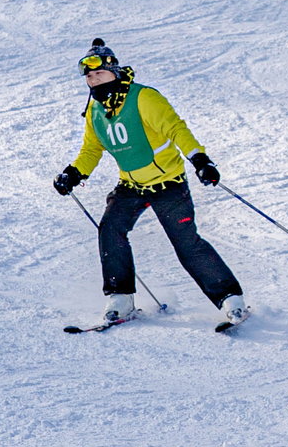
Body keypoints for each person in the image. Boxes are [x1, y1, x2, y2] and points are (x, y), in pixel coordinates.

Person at [53, 40, 246, 327]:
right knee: (111, 229)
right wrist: (73, 173)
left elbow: (175, 128)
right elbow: (92, 150)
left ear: (114, 72)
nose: (93, 81)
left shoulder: (143, 98)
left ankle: (231, 300)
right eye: (89, 77)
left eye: (99, 74)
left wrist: (200, 160)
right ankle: (120, 299)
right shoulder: (95, 111)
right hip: (131, 186)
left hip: (168, 184)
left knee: (186, 244)